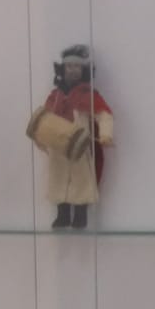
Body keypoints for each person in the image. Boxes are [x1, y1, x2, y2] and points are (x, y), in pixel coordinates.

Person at [35, 46, 113, 230]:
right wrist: (40, 137)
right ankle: (62, 215)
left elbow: (104, 114)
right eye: (69, 66)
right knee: (58, 177)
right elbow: (44, 118)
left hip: (79, 145)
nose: (72, 70)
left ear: (84, 70)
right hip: (58, 145)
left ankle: (80, 215)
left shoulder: (89, 95)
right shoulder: (55, 96)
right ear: (62, 69)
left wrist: (105, 134)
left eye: (77, 67)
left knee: (81, 179)